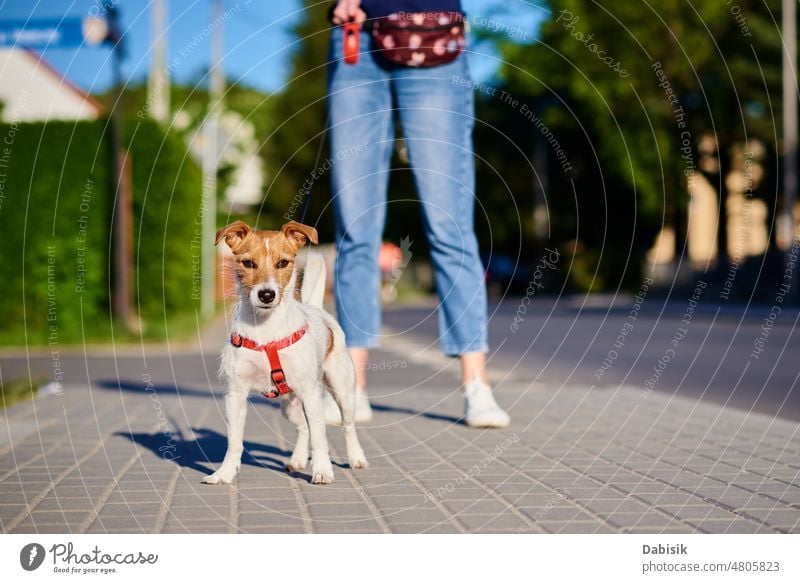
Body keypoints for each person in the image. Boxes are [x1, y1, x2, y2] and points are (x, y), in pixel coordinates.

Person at [325, 0, 510, 428]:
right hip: (357, 37)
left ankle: (477, 387)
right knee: (356, 224)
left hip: (433, 35)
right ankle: (352, 387)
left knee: (450, 222)